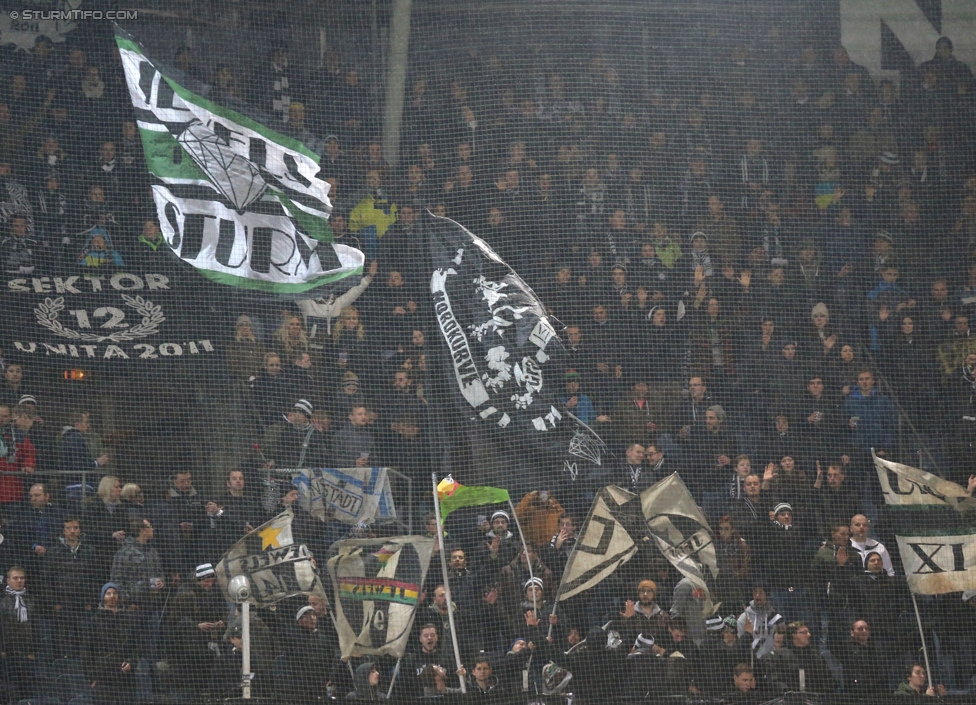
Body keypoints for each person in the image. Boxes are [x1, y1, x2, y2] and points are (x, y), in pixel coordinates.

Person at [88, 582, 136, 705]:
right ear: (103, 596)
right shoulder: (94, 619)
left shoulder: (128, 618)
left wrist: (131, 662)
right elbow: (88, 650)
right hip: (102, 678)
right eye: (108, 593)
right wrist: (92, 679)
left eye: (114, 593)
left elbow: (135, 645)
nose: (112, 596)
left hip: (124, 677)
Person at [0, 565, 39, 701]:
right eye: (15, 578)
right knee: (10, 690)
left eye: (22, 578)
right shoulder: (2, 602)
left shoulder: (31, 601)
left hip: (27, 653)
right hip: (7, 654)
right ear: (8, 580)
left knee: (27, 689)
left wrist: (33, 649)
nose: (19, 581)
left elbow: (36, 627)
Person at [60, 410, 109, 474]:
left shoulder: (69, 436)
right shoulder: (75, 437)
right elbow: (79, 464)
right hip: (80, 481)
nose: (88, 426)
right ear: (77, 424)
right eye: (86, 422)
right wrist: (96, 463)